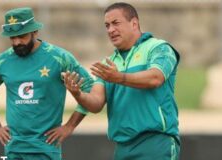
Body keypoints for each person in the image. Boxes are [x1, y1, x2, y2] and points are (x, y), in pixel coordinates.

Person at [63, 2, 180, 160]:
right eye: (107, 25)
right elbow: (96, 103)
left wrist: (119, 78)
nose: (110, 30)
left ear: (134, 23)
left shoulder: (158, 48)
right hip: (122, 148)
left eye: (116, 23)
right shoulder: (108, 64)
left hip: (156, 143)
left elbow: (155, 78)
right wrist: (78, 94)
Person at [0, 7, 93, 160]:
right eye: (12, 38)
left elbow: (90, 87)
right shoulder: (0, 61)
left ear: (35, 32)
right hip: (14, 149)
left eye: (22, 36)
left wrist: (69, 126)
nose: (17, 42)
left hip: (46, 150)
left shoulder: (59, 57)